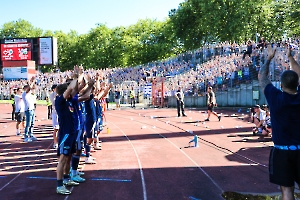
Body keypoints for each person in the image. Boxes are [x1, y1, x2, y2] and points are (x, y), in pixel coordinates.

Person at [258, 44, 300, 200]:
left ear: (281, 86)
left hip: (282, 151)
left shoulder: (275, 97)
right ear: (297, 84)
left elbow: (262, 77)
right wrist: (290, 57)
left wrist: (269, 58)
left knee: (287, 192)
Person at [22, 77, 37, 142]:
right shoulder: (24, 94)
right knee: (28, 124)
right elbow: (30, 88)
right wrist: (32, 81)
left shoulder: (30, 93)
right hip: (28, 110)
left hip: (32, 109)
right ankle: (26, 136)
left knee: (32, 123)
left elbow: (32, 88)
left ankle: (31, 135)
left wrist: (32, 82)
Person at [49, 84, 59, 149]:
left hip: (61, 113)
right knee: (56, 129)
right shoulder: (52, 95)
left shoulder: (60, 94)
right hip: (56, 113)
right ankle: (55, 143)